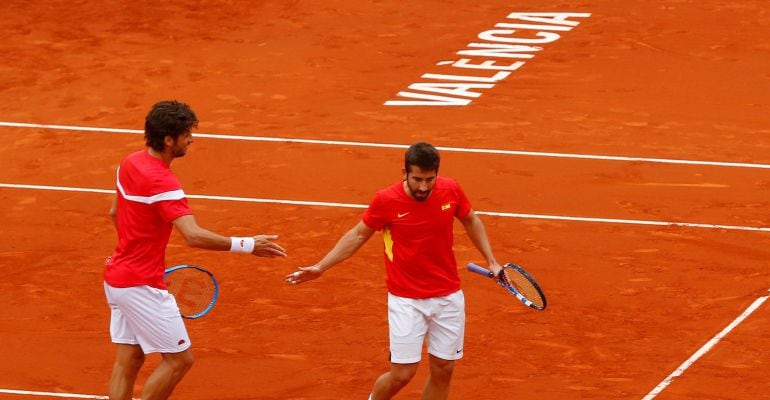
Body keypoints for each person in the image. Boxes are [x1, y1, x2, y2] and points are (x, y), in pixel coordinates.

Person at [285, 142, 501, 400]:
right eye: (417, 179)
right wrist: (321, 266)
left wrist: (492, 260)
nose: (423, 187)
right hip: (406, 300)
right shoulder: (386, 200)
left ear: (437, 174)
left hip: (447, 296)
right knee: (403, 374)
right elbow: (357, 235)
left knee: (444, 369)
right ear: (405, 173)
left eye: (429, 180)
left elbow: (471, 220)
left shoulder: (451, 189)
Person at [104, 100, 287, 400]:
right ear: (168, 139)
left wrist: (134, 253)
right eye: (187, 134)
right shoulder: (163, 181)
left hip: (117, 277)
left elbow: (114, 213)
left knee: (130, 359)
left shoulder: (130, 163)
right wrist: (248, 244)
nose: (192, 139)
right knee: (179, 361)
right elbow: (193, 235)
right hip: (140, 285)